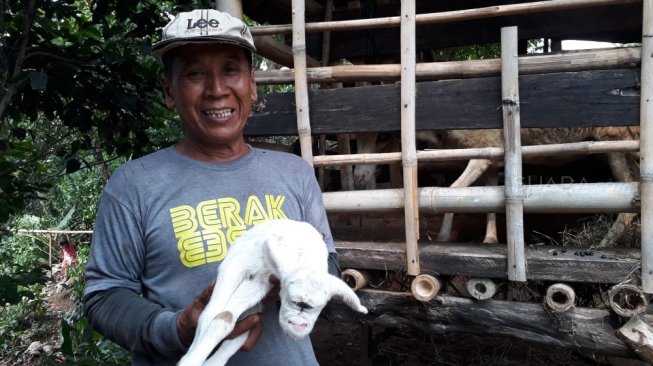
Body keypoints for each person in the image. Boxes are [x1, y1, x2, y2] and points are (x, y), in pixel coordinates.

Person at [83, 9, 340, 365]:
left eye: (231, 70)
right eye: (194, 73)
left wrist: (300, 281)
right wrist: (177, 329)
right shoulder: (133, 185)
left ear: (252, 84)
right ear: (169, 91)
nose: (217, 90)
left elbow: (328, 264)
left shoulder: (295, 174)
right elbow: (104, 295)